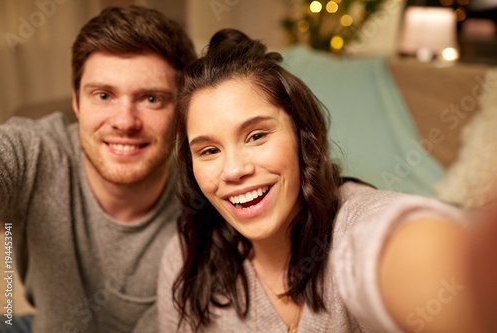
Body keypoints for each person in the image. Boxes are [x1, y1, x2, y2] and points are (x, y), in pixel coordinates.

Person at [157, 29, 497, 332]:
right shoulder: (188, 256)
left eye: (257, 135)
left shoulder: (354, 224)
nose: (233, 170)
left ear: (303, 137)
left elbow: (397, 246)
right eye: (209, 151)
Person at [0, 6, 196, 333]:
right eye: (103, 95)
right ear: (76, 101)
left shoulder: (207, 200)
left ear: (182, 111)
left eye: (151, 99)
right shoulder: (36, 154)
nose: (124, 122)